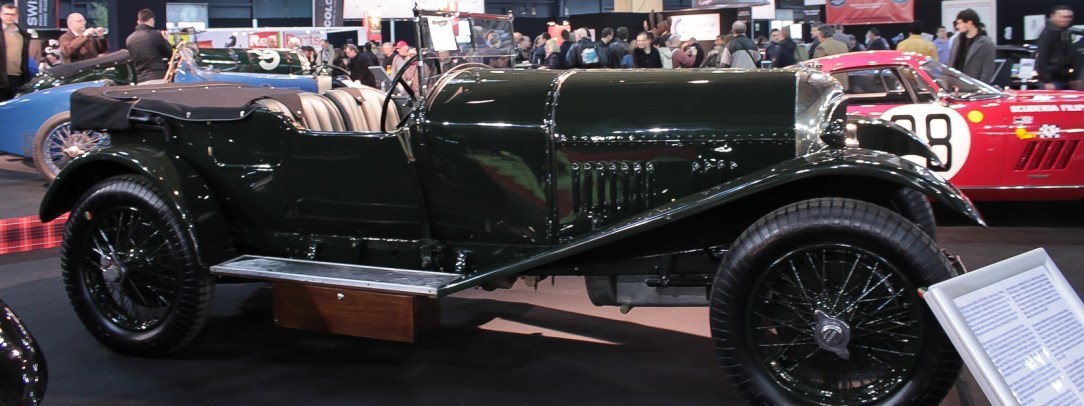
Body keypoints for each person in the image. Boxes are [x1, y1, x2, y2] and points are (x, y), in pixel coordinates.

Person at [949, 9, 995, 84]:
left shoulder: (986, 44)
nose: (957, 26)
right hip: (955, 86)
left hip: (974, 87)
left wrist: (980, 88)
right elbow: (951, 64)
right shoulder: (956, 41)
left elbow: (987, 72)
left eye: (960, 23)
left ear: (969, 23)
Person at [125, 9, 172, 83]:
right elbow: (169, 54)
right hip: (157, 78)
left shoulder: (129, 39)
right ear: (151, 20)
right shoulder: (155, 35)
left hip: (140, 80)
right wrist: (166, 40)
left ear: (138, 22)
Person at [1036, 5, 1076, 90]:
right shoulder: (1047, 34)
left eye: (1069, 17)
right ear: (1052, 16)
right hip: (1052, 80)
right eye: (1063, 17)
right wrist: (1047, 81)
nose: (1067, 19)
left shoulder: (1065, 32)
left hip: (1064, 78)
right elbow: (1042, 58)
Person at [0, 3, 29, 101]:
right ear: (1, 15)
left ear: (17, 16)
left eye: (12, 14)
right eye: (6, 14)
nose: (9, 17)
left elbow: (24, 57)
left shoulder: (22, 34)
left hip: (17, 77)